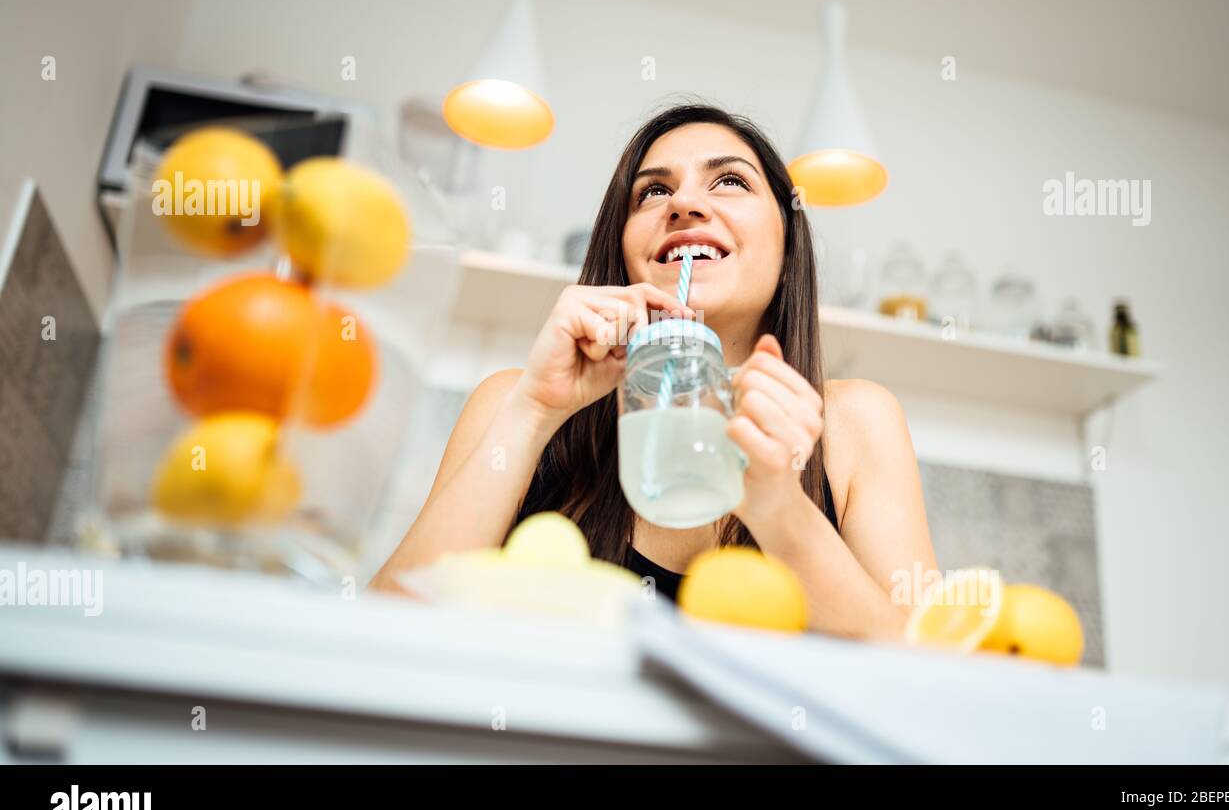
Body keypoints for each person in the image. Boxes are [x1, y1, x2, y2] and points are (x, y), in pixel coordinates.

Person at [372, 103, 936, 639]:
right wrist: (534, 413)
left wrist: (778, 507)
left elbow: (931, 677)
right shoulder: (514, 402)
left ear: (789, 245)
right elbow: (385, 631)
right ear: (623, 250)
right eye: (654, 191)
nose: (684, 204)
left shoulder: (855, 421)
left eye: (730, 182)